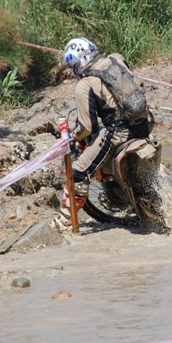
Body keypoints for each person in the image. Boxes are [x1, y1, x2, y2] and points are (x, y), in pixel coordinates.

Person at [51, 37, 152, 232]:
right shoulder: (117, 59)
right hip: (144, 125)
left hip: (118, 133)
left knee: (79, 171)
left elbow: (87, 127)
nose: (73, 73)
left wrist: (73, 136)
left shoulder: (84, 85)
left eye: (72, 68)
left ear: (78, 63)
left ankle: (63, 223)